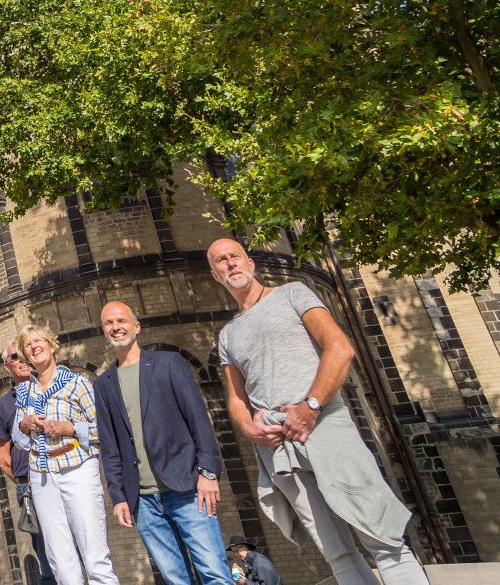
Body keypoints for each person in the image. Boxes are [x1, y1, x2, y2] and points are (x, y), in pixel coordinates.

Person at [208, 239, 430, 585]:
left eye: (235, 256)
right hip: (277, 444)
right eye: (221, 261)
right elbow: (236, 398)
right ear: (215, 274)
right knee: (337, 553)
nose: (230, 264)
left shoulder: (293, 293)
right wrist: (249, 429)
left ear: (250, 263)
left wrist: (311, 406)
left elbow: (340, 349)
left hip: (323, 424)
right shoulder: (228, 334)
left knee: (381, 535)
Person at [94, 301, 234, 585]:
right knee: (175, 579)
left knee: (214, 573)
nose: (116, 327)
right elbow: (110, 448)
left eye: (121, 321)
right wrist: (119, 496)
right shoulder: (104, 384)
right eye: (109, 323)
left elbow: (198, 419)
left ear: (137, 326)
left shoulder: (168, 363)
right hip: (143, 500)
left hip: (187, 488)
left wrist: (208, 472)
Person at [11, 323, 120, 585]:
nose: (35, 346)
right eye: (28, 344)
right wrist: (25, 425)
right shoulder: (24, 391)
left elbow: (103, 430)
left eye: (39, 341)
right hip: (42, 476)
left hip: (77, 468)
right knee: (60, 559)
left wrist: (69, 427)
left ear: (51, 345)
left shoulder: (77, 382)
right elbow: (17, 437)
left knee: (94, 553)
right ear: (26, 356)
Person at [0, 341, 55, 585]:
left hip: (62, 476)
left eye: (25, 354)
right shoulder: (3, 405)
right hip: (29, 484)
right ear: (8, 366)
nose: (23, 360)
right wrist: (24, 481)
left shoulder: (51, 387)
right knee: (45, 551)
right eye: (16, 357)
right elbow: (3, 455)